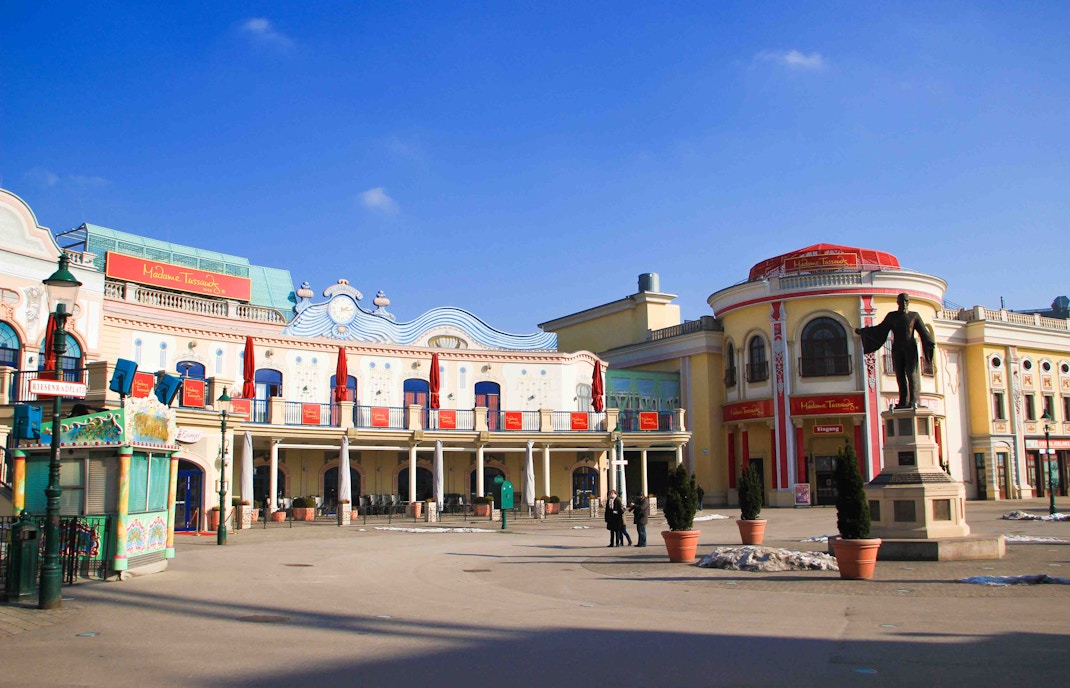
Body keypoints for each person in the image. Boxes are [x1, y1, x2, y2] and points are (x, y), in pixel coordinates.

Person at [855, 292, 936, 409]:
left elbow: (924, 332)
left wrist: (929, 342)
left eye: (906, 301)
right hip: (897, 348)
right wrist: (864, 332)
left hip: (910, 348)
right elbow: (880, 329)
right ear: (897, 302)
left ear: (909, 302)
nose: (904, 303)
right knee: (900, 375)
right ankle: (903, 401)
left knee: (911, 373)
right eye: (902, 301)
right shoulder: (892, 316)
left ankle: (914, 400)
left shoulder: (914, 316)